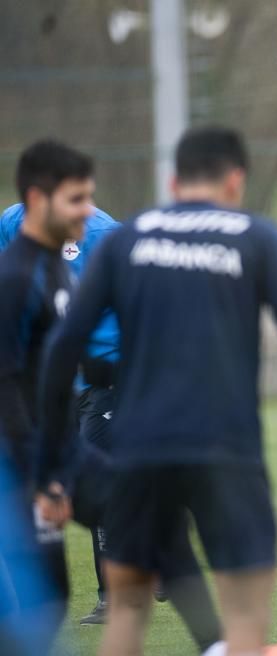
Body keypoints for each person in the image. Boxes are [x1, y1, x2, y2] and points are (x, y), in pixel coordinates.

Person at [36, 126, 277, 656]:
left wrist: (50, 459)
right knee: (245, 615)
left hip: (137, 449)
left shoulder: (126, 238)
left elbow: (65, 343)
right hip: (225, 447)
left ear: (173, 180)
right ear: (236, 180)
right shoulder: (258, 236)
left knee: (127, 610)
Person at [1, 203, 224, 648]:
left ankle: (213, 641)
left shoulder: (106, 236)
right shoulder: (15, 254)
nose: (84, 210)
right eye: (73, 196)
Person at [0, 139, 94, 654]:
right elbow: (7, 384)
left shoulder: (58, 268)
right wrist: (42, 479)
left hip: (48, 456)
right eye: (76, 199)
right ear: (38, 199)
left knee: (53, 599)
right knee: (37, 609)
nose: (88, 211)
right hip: (16, 464)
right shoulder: (13, 277)